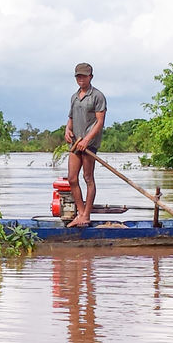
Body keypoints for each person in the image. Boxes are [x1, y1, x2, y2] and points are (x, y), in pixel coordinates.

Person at [64, 63, 107, 227]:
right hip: (75, 143)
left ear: (90, 77)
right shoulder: (74, 97)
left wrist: (87, 140)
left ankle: (86, 215)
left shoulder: (97, 96)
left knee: (88, 177)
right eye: (78, 76)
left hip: (89, 144)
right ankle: (80, 213)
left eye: (84, 76)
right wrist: (67, 130)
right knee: (72, 178)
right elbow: (71, 119)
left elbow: (100, 122)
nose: (81, 79)